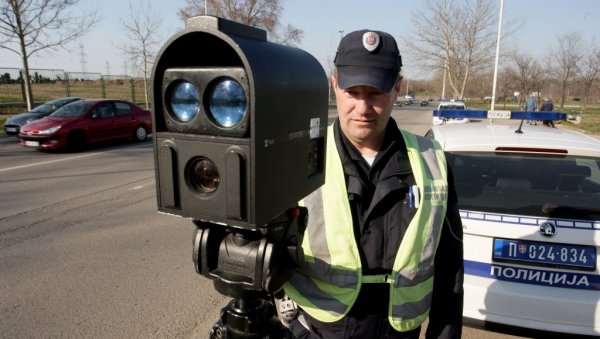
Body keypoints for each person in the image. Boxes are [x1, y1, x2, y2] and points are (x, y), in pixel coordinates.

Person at [280, 29, 463, 339]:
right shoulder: (296, 158)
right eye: (353, 92)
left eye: (375, 93)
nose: (363, 108)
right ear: (334, 84)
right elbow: (263, 257)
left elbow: (449, 269)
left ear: (397, 87)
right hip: (316, 332)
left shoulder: (432, 160)